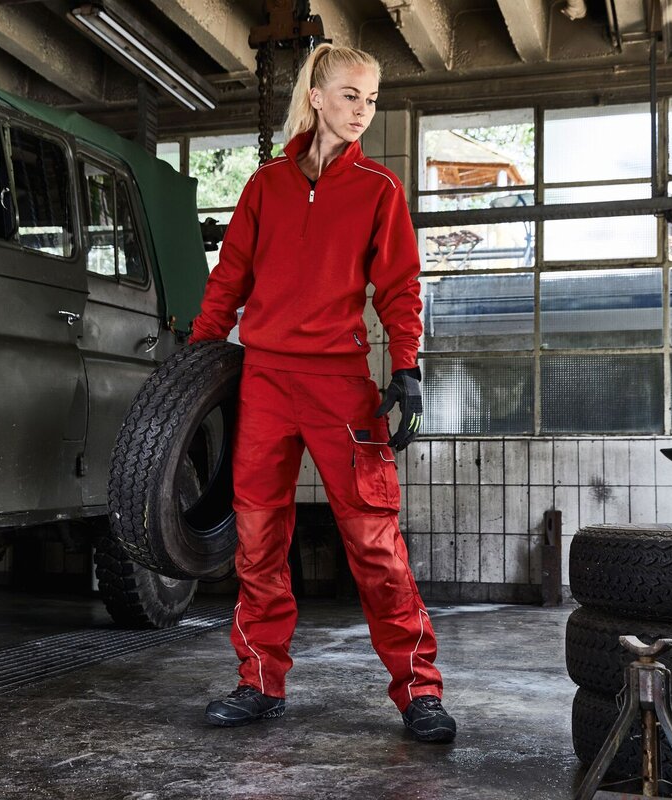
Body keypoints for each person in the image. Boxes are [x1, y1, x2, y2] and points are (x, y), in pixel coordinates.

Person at [189, 43, 455, 744]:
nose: (363, 110)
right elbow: (229, 278)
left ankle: (419, 691)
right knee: (257, 539)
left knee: (374, 540)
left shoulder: (378, 189)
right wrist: (193, 366)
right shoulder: (265, 186)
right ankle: (259, 682)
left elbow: (399, 286)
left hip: (340, 384)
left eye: (371, 99)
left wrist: (407, 367)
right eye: (350, 95)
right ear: (315, 95)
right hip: (265, 380)